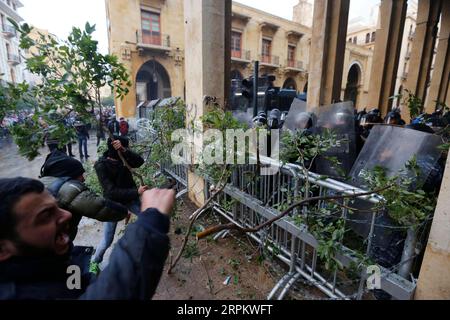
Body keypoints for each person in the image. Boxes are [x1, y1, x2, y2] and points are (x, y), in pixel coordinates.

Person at [0, 177, 175, 300]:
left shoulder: (65, 264)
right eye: (46, 215)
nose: (67, 215)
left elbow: (81, 290)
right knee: (106, 240)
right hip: (120, 206)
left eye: (56, 207)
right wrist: (149, 223)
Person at [39, 149, 129, 241]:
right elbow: (101, 208)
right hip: (53, 245)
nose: (83, 178)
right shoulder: (69, 188)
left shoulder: (44, 181)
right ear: (69, 175)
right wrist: (125, 211)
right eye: (80, 174)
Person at [92, 136, 148, 265]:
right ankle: (94, 263)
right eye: (126, 146)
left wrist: (124, 150)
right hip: (113, 204)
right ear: (114, 149)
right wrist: (136, 192)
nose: (128, 149)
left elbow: (139, 162)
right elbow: (111, 192)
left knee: (148, 218)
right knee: (107, 240)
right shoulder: (101, 165)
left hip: (131, 200)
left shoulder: (123, 158)